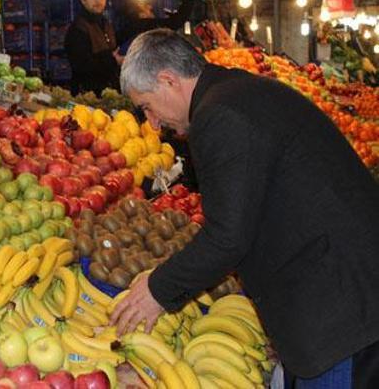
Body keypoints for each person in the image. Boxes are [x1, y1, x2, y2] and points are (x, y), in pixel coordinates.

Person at [110, 29, 379, 387]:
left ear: (168, 80)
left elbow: (227, 237)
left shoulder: (219, 117)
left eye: (147, 106)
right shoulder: (236, 93)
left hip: (340, 313)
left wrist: (158, 291)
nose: (153, 124)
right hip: (343, 292)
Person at [64, 0, 122, 96]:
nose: (98, 0)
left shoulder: (107, 24)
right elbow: (81, 65)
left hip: (108, 93)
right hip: (86, 95)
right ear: (83, 0)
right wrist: (113, 60)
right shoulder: (78, 28)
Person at [117, 0, 198, 54]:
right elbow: (177, 21)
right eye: (146, 7)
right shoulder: (144, 26)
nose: (150, 8)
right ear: (141, 15)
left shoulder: (126, 28)